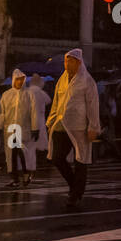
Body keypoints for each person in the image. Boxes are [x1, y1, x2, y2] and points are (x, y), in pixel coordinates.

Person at [46, 49, 100, 210]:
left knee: (80, 161)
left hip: (79, 127)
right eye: (66, 61)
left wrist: (93, 127)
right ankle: (74, 185)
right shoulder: (61, 80)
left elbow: (93, 105)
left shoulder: (87, 81)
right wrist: (51, 120)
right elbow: (56, 101)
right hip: (61, 125)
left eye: (70, 61)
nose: (67, 64)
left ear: (79, 63)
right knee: (57, 158)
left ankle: (75, 195)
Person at [0, 68, 39, 188]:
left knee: (22, 152)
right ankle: (15, 178)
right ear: (13, 80)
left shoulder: (29, 94)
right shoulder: (6, 95)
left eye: (22, 80)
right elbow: (2, 112)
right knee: (11, 155)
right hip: (10, 128)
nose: (20, 82)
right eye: (18, 80)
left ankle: (25, 174)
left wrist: (35, 127)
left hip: (24, 128)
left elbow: (34, 112)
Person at [28, 74, 51, 155]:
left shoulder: (27, 91)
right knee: (41, 136)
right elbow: (48, 101)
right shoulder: (41, 92)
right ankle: (42, 152)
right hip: (40, 117)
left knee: (31, 139)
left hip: (30, 117)